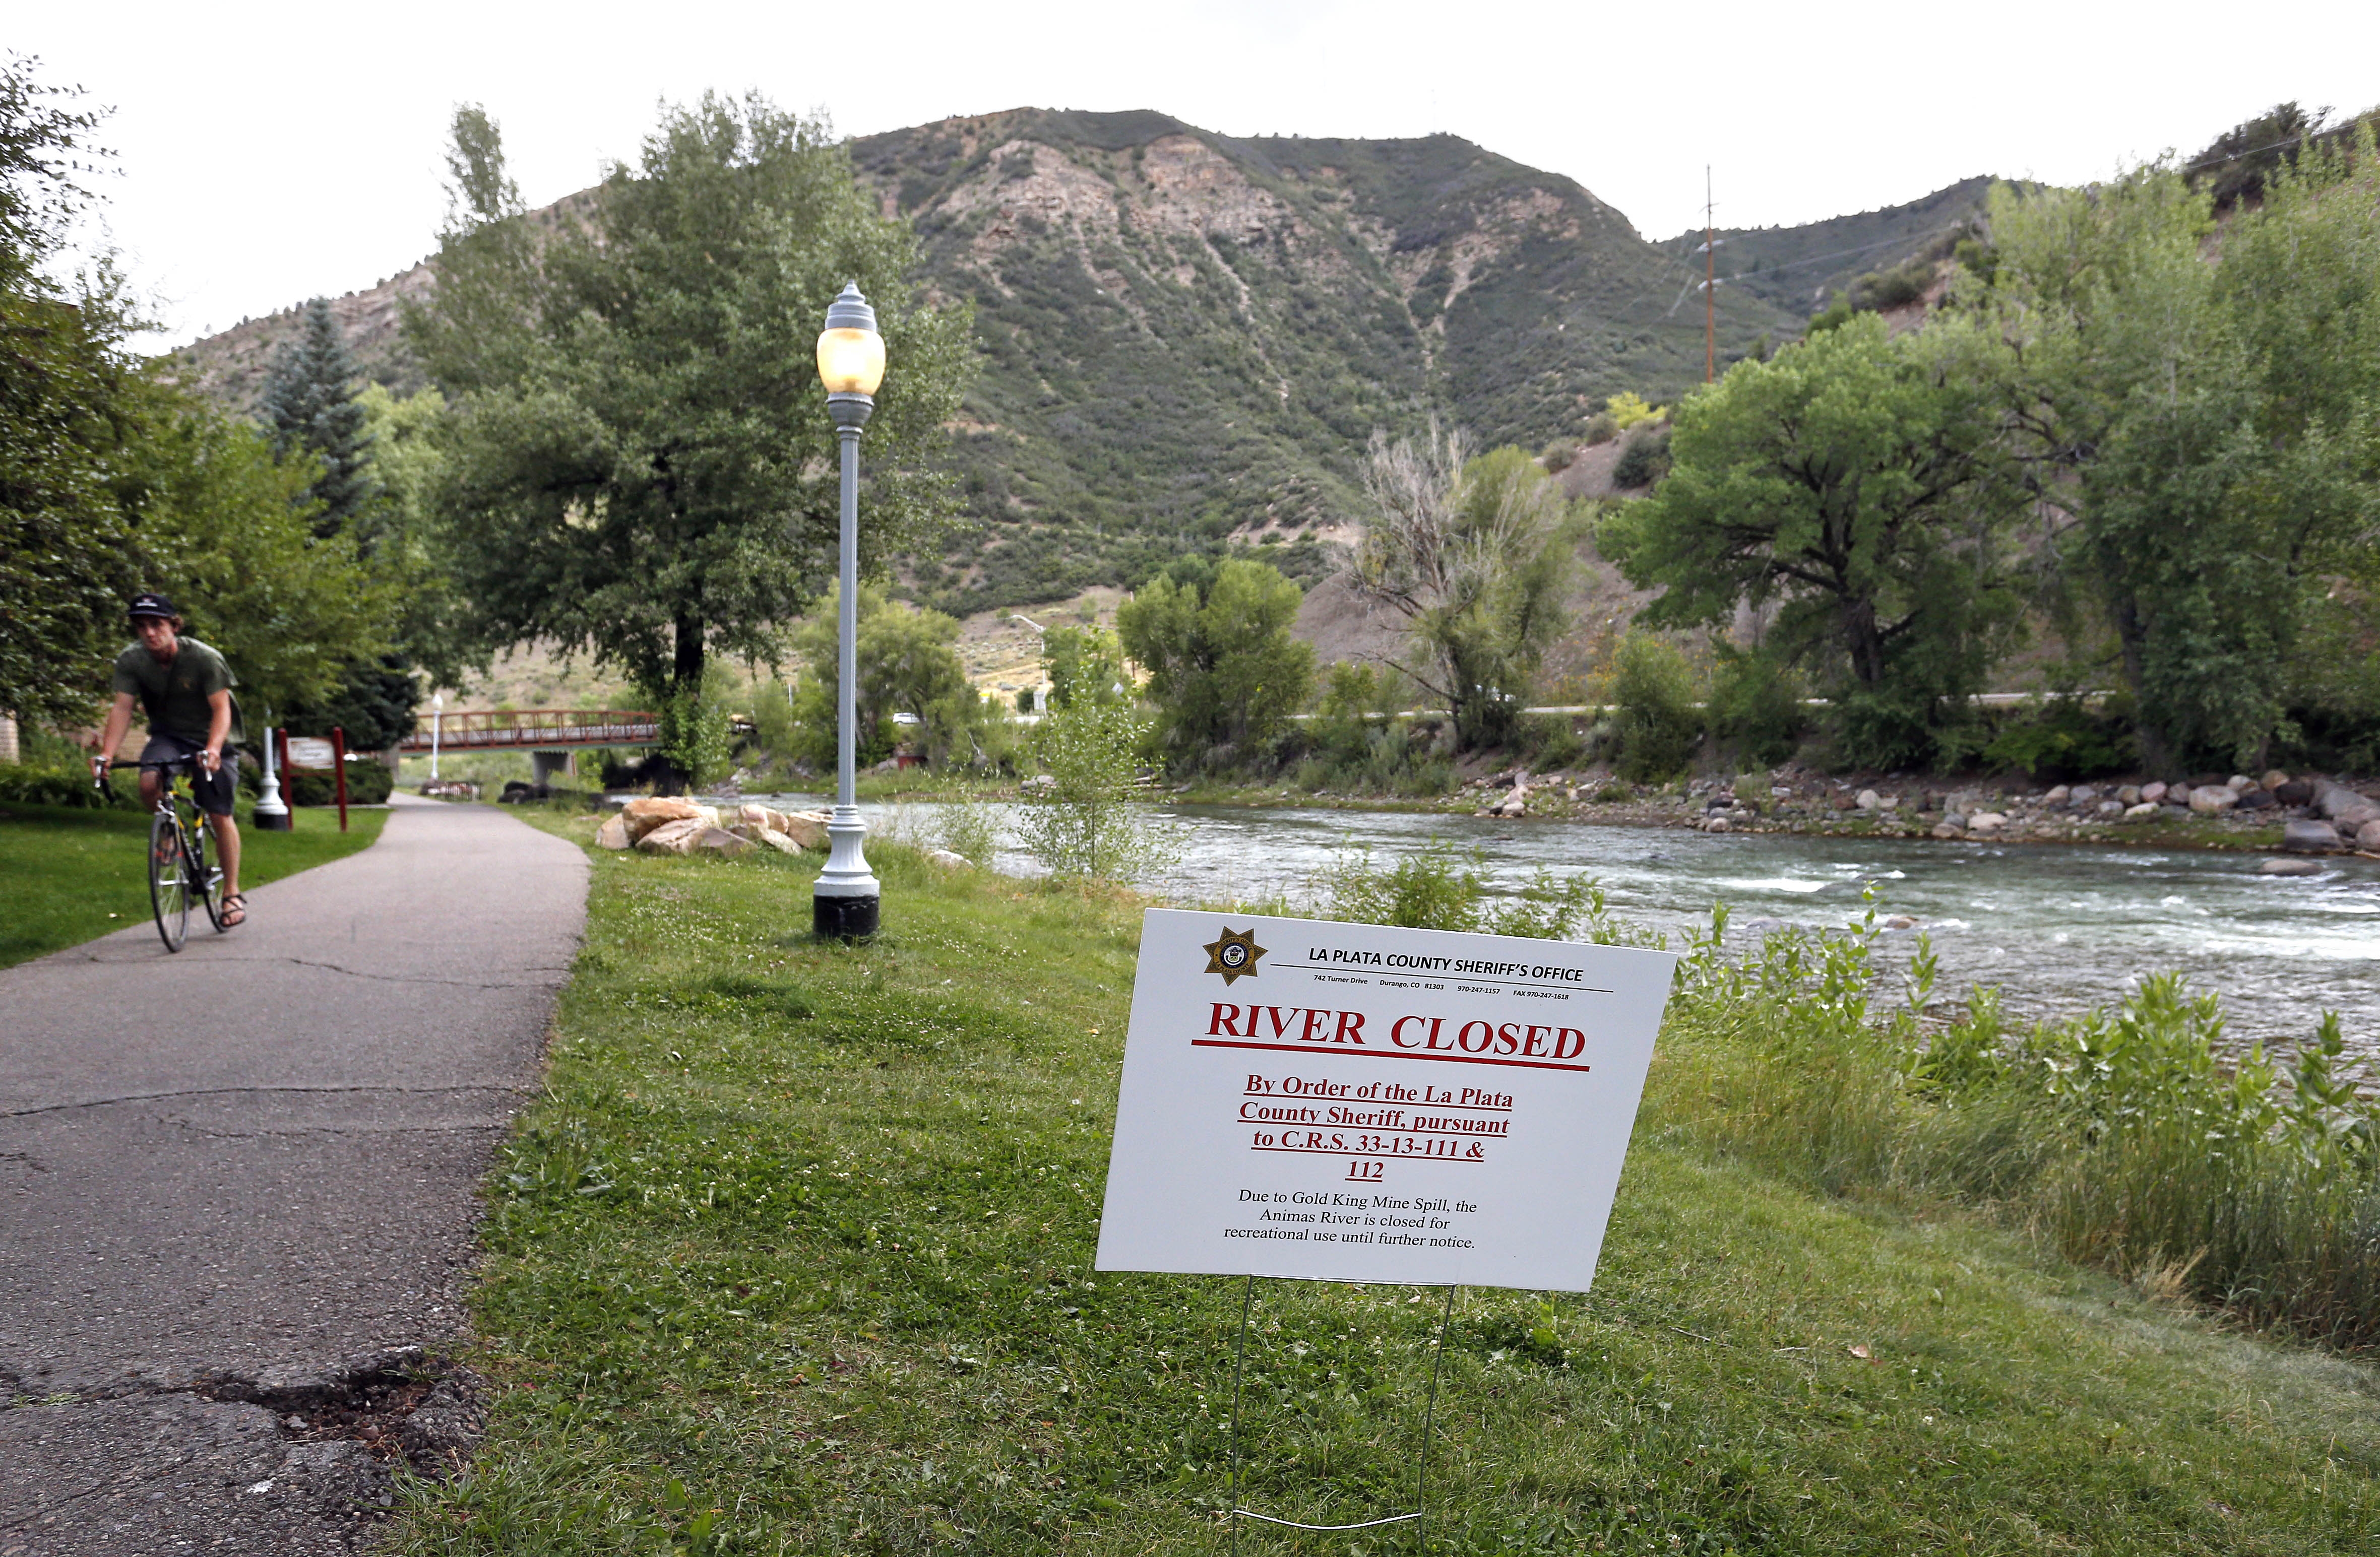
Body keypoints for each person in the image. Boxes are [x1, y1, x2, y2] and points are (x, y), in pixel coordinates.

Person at [90, 593, 247, 928]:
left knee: (220, 813)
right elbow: (122, 708)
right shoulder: (132, 660)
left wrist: (215, 749)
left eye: (157, 625)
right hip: (169, 737)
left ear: (174, 625)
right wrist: (107, 754)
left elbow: (222, 709)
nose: (149, 633)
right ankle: (169, 835)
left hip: (212, 737)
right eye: (141, 626)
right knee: (149, 784)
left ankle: (231, 892)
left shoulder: (204, 658)